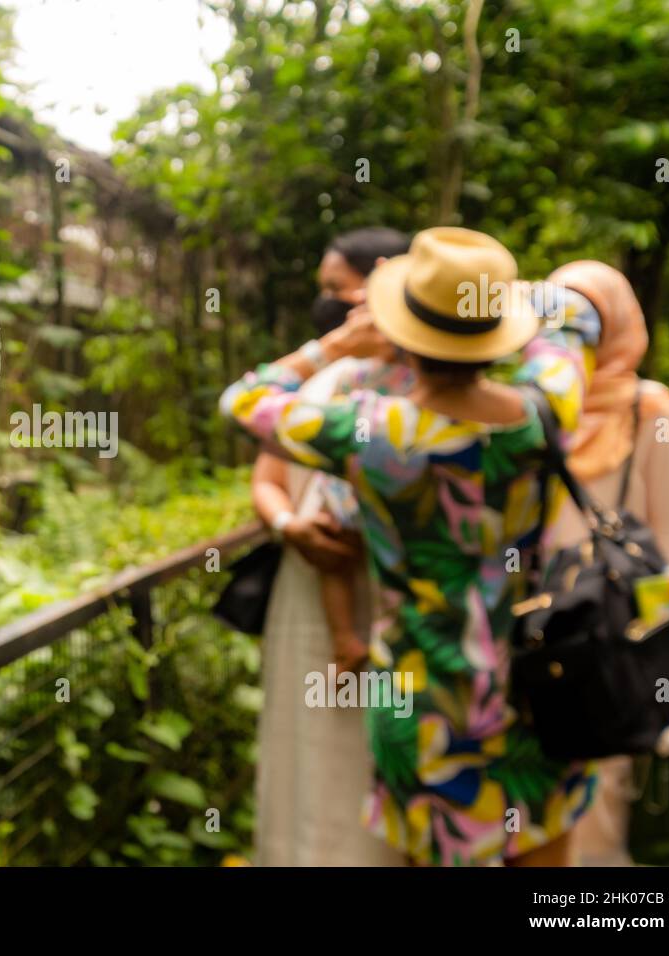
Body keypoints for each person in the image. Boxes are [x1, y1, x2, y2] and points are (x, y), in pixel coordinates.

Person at [222, 227, 602, 866]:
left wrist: (337, 342)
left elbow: (244, 400)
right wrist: (487, 299)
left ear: (404, 335)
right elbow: (566, 321)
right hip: (535, 683)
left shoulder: (368, 430)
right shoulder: (542, 415)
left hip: (421, 702)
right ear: (494, 335)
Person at [252, 227, 411, 866]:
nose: (331, 305)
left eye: (337, 289)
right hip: (308, 591)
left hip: (392, 599)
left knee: (376, 754)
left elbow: (242, 398)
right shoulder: (314, 378)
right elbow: (265, 481)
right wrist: (291, 526)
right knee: (308, 748)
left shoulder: (422, 384)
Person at [541, 261, 669, 866]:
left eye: (588, 319)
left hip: (613, 621)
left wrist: (657, 659)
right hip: (545, 624)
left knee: (607, 788)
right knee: (551, 789)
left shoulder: (648, 408)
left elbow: (666, 540)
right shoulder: (536, 402)